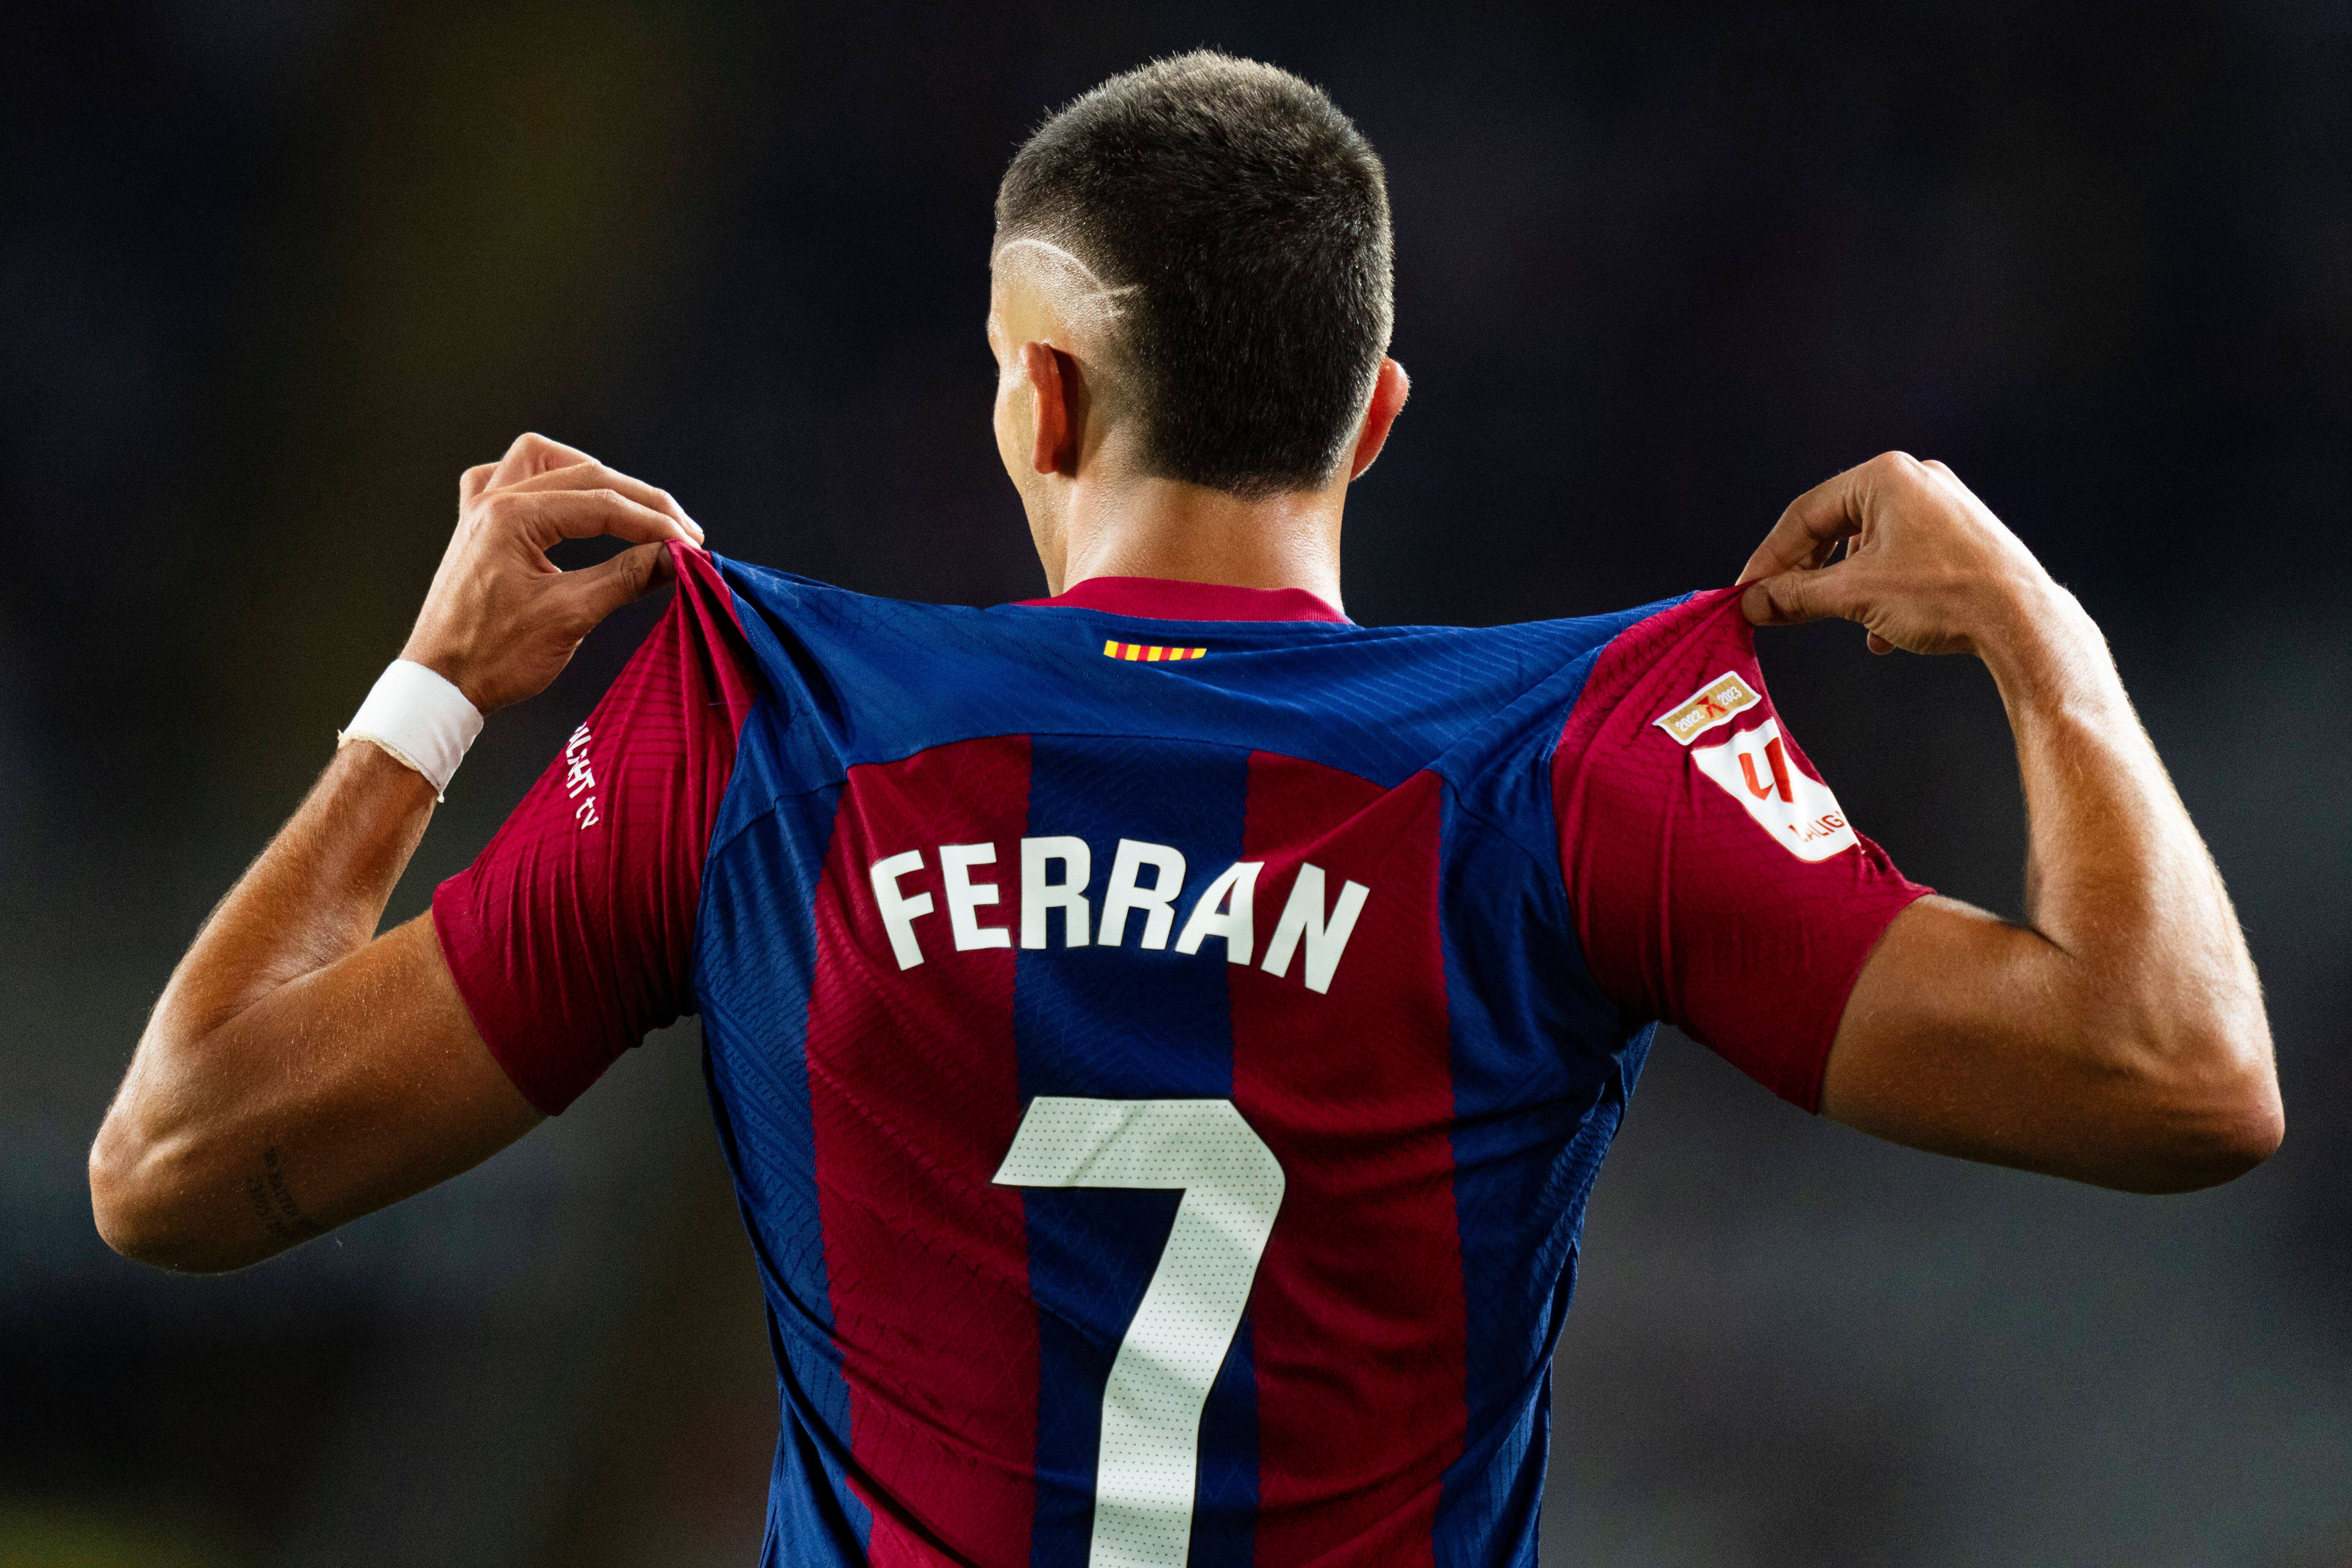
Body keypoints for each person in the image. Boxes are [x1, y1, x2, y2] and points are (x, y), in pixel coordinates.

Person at [89, 52, 2278, 1568]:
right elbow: (2179, 1075)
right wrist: (2042, 634)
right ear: (1378, 415)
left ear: (1036, 394)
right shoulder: (1582, 754)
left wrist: (425, 703)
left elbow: (176, 1169)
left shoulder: (766, 735)